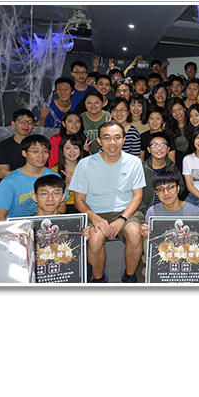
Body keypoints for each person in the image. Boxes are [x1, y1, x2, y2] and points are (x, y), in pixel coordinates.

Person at [69, 121, 146, 283]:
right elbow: (79, 200)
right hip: (95, 212)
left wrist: (122, 219)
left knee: (134, 232)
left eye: (117, 137)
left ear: (124, 140)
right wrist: (95, 218)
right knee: (95, 238)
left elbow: (137, 196)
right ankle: (98, 280)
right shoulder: (85, 164)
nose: (112, 142)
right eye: (107, 138)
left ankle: (130, 277)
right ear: (99, 141)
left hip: (126, 212)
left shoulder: (134, 162)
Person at [0, 135, 68, 221]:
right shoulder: (10, 181)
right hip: (18, 227)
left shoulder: (54, 176)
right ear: (24, 153)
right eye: (35, 151)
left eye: (45, 151)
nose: (41, 155)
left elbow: (62, 205)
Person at [139, 132, 185, 215]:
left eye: (163, 145)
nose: (159, 148)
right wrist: (146, 212)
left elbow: (181, 187)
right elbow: (135, 195)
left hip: (170, 210)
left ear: (168, 149)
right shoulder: (141, 169)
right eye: (154, 145)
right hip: (147, 211)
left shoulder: (172, 167)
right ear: (148, 149)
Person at [0, 108, 35, 189]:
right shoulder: (2, 147)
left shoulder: (39, 145)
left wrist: (10, 173)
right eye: (21, 121)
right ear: (13, 123)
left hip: (34, 186)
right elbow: (3, 175)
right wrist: (31, 173)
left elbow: (41, 171)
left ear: (33, 125)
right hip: (11, 187)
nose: (26, 125)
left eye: (29, 122)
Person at [50, 134, 84, 214]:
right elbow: (58, 198)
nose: (72, 151)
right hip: (63, 207)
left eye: (75, 148)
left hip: (84, 206)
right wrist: (68, 185)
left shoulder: (87, 168)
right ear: (62, 150)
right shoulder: (54, 171)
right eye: (68, 148)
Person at [163, 98, 189, 164]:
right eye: (173, 111)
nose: (177, 113)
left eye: (179, 109)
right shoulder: (167, 125)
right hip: (176, 158)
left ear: (184, 108)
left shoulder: (192, 121)